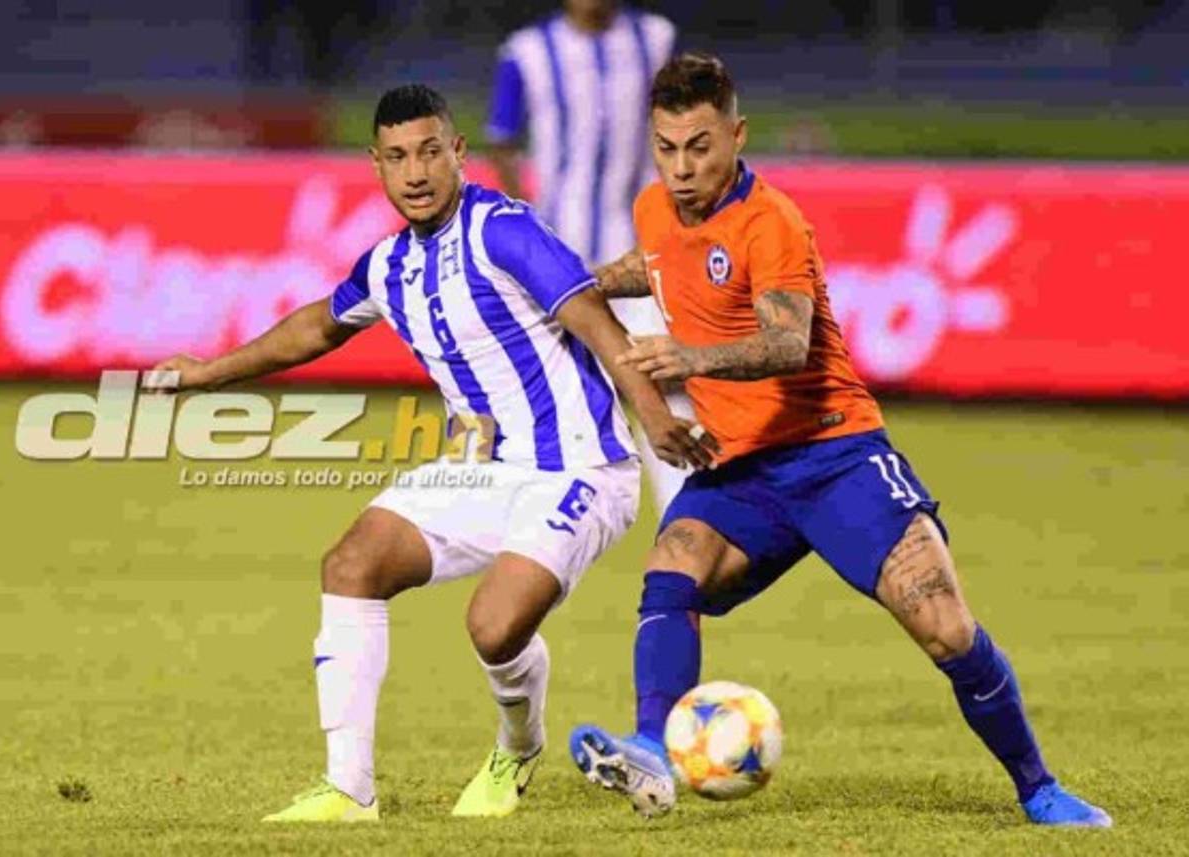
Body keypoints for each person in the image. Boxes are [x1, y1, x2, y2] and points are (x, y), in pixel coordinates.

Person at [566, 53, 1112, 828]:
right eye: (667, 147)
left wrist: (688, 359)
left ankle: (1038, 787)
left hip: (834, 453)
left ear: (737, 134)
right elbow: (650, 267)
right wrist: (572, 286)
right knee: (674, 562)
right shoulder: (656, 208)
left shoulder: (772, 222)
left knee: (943, 622)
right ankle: (651, 747)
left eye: (700, 146)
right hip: (743, 470)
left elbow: (787, 342)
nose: (683, 167)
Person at [149, 84, 715, 823]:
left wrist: (654, 417)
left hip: (580, 469)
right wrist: (206, 372)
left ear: (457, 153)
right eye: (395, 157)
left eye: (427, 152)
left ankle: (517, 744)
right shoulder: (387, 265)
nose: (413, 172)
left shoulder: (505, 231)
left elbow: (600, 325)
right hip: (478, 469)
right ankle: (348, 789)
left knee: (493, 625)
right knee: (351, 564)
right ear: (377, 167)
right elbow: (317, 327)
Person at [486, 0, 693, 516]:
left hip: (643, 247)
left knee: (666, 372)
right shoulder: (528, 52)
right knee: (538, 382)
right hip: (561, 247)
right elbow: (502, 140)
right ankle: (523, 511)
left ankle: (689, 512)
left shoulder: (657, 39)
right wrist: (528, 223)